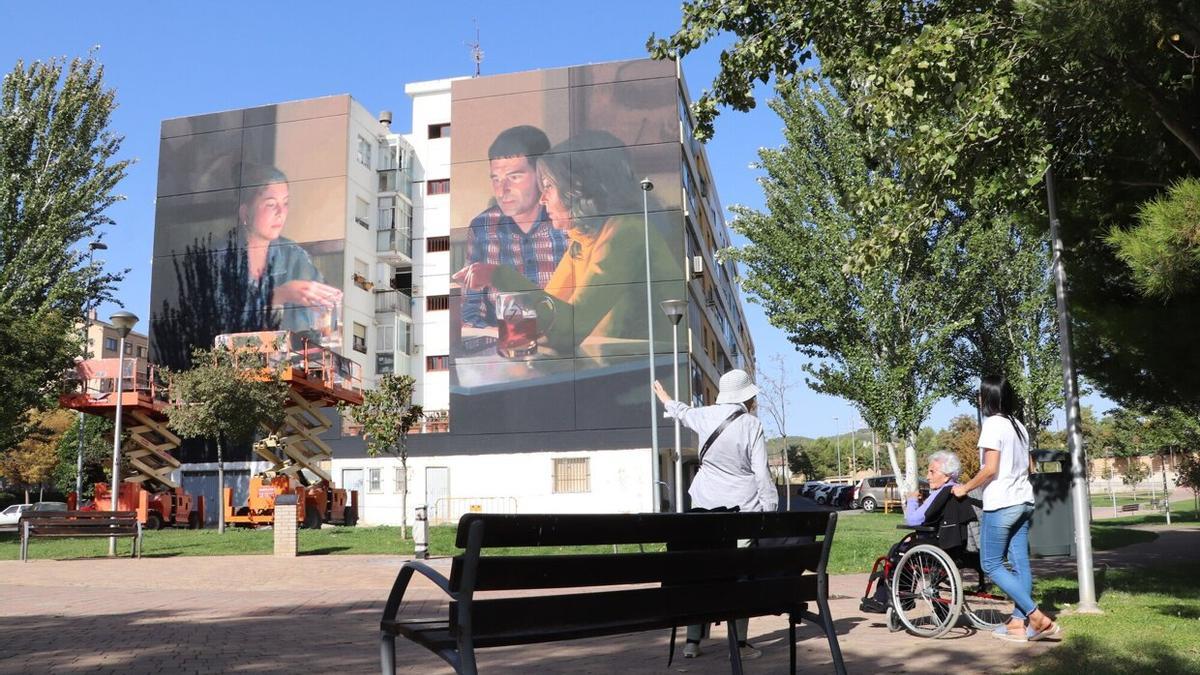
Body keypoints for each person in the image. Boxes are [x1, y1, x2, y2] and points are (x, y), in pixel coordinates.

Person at [455, 131, 679, 354]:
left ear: (578, 189)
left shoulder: (627, 232)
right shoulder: (582, 240)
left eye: (549, 186)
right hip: (611, 367)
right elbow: (549, 317)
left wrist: (499, 275)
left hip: (656, 370)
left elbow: (571, 328)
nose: (543, 199)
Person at [653, 370, 778, 661]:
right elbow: (761, 473)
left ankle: (692, 642)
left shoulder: (705, 415)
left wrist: (667, 399)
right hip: (742, 511)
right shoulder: (751, 425)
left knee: (702, 574)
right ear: (747, 397)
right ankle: (740, 643)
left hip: (704, 509)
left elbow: (682, 413)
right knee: (740, 577)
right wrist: (770, 511)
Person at [952, 375, 1061, 642]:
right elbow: (1030, 466)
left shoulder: (992, 425)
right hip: (1024, 501)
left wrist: (964, 488)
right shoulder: (1018, 426)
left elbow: (990, 469)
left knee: (990, 564)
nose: (978, 399)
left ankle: (1036, 617)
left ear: (987, 398)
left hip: (1002, 503)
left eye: (980, 395)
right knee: (1020, 563)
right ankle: (1017, 624)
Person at [456, 126, 567, 329]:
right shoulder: (482, 227)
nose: (502, 190)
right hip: (505, 343)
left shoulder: (567, 223)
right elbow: (471, 310)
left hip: (565, 341)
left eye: (514, 177)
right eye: (496, 179)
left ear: (543, 175)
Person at [229, 165, 342, 340]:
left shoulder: (294, 256)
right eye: (271, 204)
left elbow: (328, 320)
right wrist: (279, 295)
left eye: (285, 203)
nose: (281, 213)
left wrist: (327, 307)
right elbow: (220, 324)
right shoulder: (219, 258)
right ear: (245, 213)